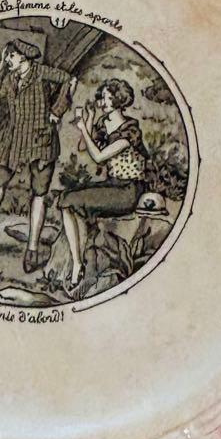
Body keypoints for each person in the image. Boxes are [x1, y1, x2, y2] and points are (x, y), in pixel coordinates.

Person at [0, 37, 77, 273]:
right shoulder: (11, 79)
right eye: (7, 55)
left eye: (11, 55)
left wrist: (57, 110)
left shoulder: (42, 72)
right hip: (14, 141)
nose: (8, 59)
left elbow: (69, 80)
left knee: (38, 193)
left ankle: (32, 251)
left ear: (25, 56)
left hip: (41, 140)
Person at [58, 78, 150, 287]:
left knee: (70, 200)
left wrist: (84, 129)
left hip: (128, 190)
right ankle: (77, 263)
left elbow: (99, 157)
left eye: (107, 98)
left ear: (119, 100)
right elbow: (83, 147)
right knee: (67, 200)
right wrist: (89, 123)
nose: (102, 102)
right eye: (102, 98)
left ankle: (79, 264)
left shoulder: (130, 130)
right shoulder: (104, 123)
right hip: (112, 185)